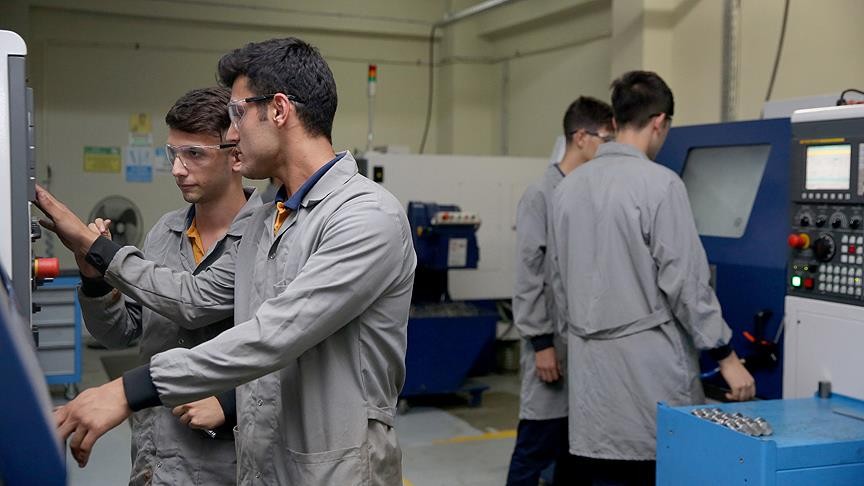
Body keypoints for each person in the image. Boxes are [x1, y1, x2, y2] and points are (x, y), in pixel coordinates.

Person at [41, 37, 416, 485]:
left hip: (336, 470)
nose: (231, 133)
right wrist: (94, 257)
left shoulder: (365, 216)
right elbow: (198, 299)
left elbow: (274, 335)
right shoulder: (268, 220)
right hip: (260, 464)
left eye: (237, 113)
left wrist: (131, 389)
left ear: (278, 110)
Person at [550, 71, 755, 485]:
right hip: (649, 376)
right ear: (659, 122)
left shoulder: (567, 189)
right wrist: (727, 358)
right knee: (658, 466)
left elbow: (558, 284)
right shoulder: (661, 186)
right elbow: (687, 285)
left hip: (590, 379)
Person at [76, 86, 260, 485]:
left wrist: (230, 403)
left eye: (194, 153)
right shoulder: (164, 232)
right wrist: (94, 282)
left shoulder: (266, 238)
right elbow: (121, 332)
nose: (178, 169)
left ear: (236, 155)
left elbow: (287, 350)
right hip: (153, 456)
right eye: (172, 154)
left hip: (228, 462)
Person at [507, 96, 613, 486]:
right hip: (551, 347)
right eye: (607, 138)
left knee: (575, 451)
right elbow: (528, 275)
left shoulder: (589, 192)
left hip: (585, 348)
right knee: (536, 445)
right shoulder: (542, 195)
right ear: (582, 138)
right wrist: (541, 342)